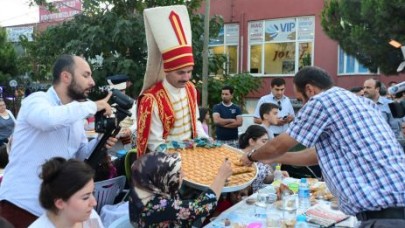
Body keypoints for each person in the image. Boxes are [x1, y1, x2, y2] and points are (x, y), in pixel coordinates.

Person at [242, 66, 405, 227]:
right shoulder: (362, 102)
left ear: (309, 89)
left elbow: (278, 145)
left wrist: (251, 156)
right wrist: (275, 157)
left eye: (300, 99)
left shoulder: (322, 100)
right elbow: (314, 155)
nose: (303, 105)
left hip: (385, 216)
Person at [0, 54, 117, 227]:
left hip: (53, 210)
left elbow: (79, 155)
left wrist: (102, 140)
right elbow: (48, 120)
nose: (92, 82)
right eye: (86, 75)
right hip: (21, 205)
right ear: (66, 76)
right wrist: (93, 106)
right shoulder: (37, 100)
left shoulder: (75, 115)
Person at [136, 5, 208, 156]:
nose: (186, 78)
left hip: (193, 156)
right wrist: (181, 154)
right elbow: (155, 144)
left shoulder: (191, 89)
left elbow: (195, 123)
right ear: (167, 71)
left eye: (189, 72)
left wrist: (204, 139)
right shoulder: (152, 99)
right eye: (181, 73)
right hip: (165, 162)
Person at [128, 152, 232, 227]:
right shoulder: (158, 206)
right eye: (177, 174)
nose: (183, 175)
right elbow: (202, 207)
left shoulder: (140, 192)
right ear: (160, 179)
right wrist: (221, 177)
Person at [29, 157, 103, 228]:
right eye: (85, 198)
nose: (94, 203)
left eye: (92, 193)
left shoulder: (91, 217)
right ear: (60, 203)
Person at [238, 125, 288, 192]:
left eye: (267, 142)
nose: (266, 145)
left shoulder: (260, 157)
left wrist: (276, 175)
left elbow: (265, 178)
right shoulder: (239, 157)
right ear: (252, 141)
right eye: (263, 141)